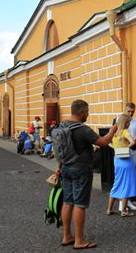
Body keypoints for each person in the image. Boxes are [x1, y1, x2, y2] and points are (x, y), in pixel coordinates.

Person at [55, 99, 117, 250]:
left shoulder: (63, 125)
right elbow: (102, 142)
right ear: (81, 112)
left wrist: (59, 167)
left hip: (66, 168)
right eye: (87, 111)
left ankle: (66, 236)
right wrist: (114, 129)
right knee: (80, 204)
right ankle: (79, 240)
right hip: (81, 169)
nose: (88, 114)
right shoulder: (82, 129)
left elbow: (64, 149)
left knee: (67, 202)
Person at [106, 113, 136, 217]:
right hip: (127, 161)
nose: (129, 124)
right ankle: (124, 211)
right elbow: (133, 142)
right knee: (126, 185)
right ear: (125, 123)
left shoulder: (114, 132)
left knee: (117, 183)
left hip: (117, 161)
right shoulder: (125, 132)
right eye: (129, 122)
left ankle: (109, 209)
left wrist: (116, 148)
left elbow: (107, 143)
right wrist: (127, 146)